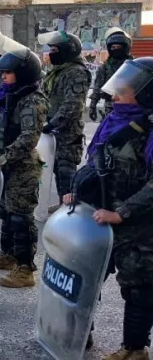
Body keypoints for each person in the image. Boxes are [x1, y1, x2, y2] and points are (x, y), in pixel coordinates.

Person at [64, 57, 153, 360]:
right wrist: (78, 192)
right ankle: (79, 334)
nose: (114, 97)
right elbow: (96, 164)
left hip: (139, 224)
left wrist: (123, 212)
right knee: (86, 278)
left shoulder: (149, 132)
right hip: (100, 214)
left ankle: (135, 349)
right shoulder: (113, 121)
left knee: (137, 288)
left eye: (123, 92)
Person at [0, 41, 47, 288]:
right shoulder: (4, 97)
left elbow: (29, 137)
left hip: (22, 167)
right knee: (5, 212)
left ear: (23, 74)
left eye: (7, 72)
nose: (3, 76)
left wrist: (3, 158)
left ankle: (25, 269)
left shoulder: (32, 100)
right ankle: (8, 256)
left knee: (20, 217)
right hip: (2, 164)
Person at [38, 31, 91, 208]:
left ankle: (69, 208)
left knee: (66, 171)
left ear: (68, 50)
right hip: (53, 129)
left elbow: (73, 104)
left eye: (54, 49)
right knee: (56, 170)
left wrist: (53, 123)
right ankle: (62, 204)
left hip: (68, 131)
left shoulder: (76, 72)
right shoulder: (57, 72)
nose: (51, 53)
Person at [90, 28, 134, 121]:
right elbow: (97, 87)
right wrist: (92, 106)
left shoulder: (134, 66)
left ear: (125, 47)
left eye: (118, 47)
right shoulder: (105, 67)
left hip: (131, 107)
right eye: (113, 47)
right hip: (110, 107)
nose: (115, 50)